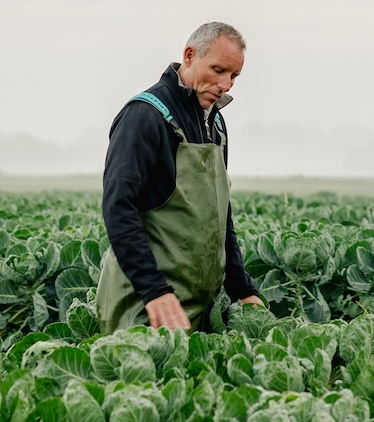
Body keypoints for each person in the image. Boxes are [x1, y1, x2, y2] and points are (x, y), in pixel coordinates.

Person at [97, 22, 263, 333]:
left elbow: (218, 216)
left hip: (198, 306)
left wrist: (242, 288)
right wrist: (154, 290)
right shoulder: (144, 116)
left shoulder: (215, 123)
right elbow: (118, 207)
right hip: (147, 305)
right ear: (189, 55)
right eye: (218, 70)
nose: (226, 84)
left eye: (234, 76)